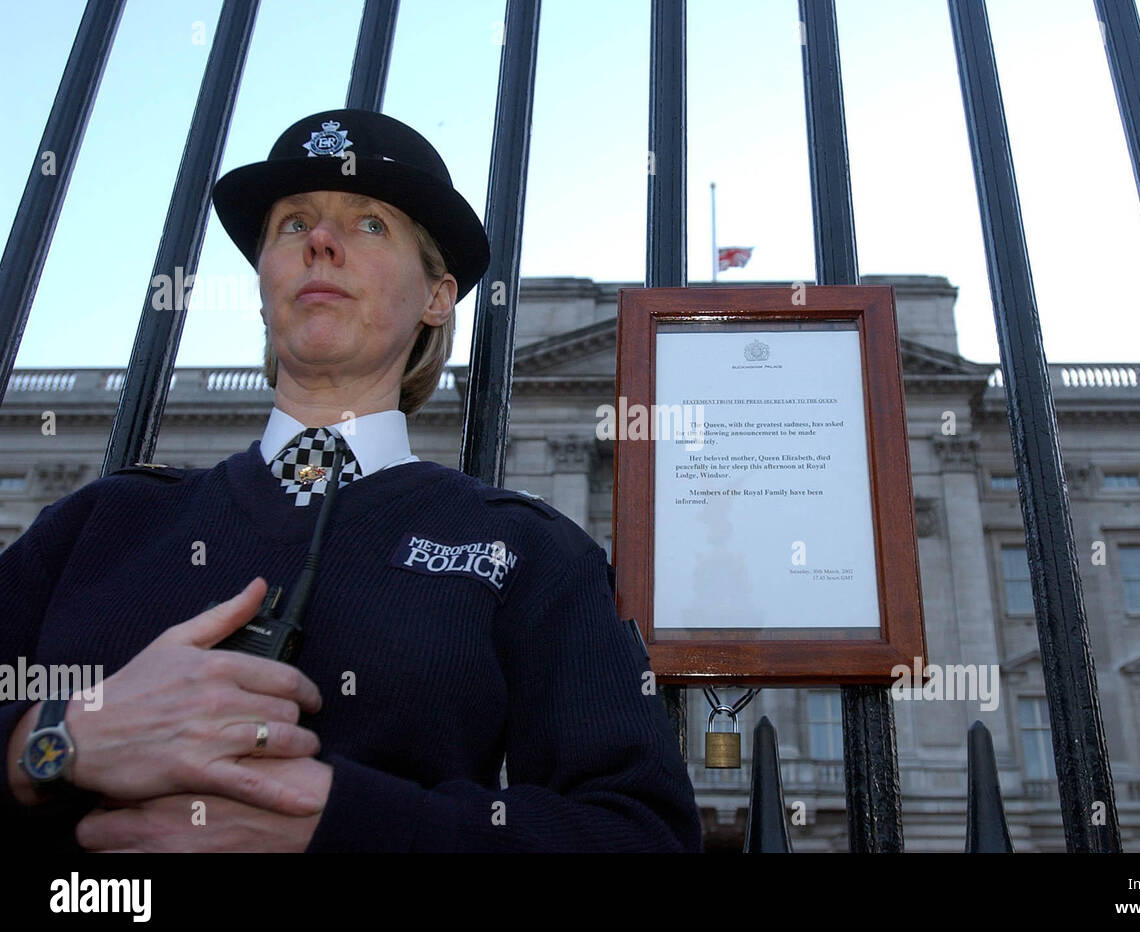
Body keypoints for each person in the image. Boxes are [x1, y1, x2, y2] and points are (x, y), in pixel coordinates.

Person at [0, 109, 701, 852]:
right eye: (292, 224)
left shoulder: (529, 551)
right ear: (265, 280)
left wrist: (343, 821)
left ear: (438, 297)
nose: (321, 241)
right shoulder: (100, 522)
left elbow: (641, 832)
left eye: (369, 225)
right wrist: (51, 743)